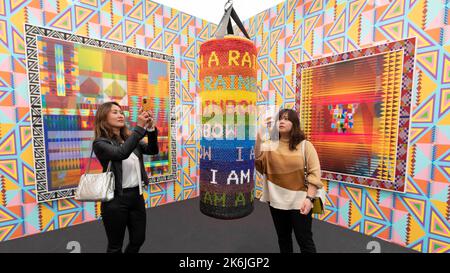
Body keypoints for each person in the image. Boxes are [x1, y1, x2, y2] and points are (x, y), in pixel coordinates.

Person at [93, 101, 159, 253]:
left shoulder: (130, 139)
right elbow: (120, 153)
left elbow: (152, 149)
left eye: (121, 112)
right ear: (103, 117)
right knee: (115, 246)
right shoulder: (100, 143)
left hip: (136, 196)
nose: (120, 115)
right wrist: (139, 128)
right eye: (114, 112)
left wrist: (150, 129)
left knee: (138, 239)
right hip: (115, 200)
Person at [254, 108, 323, 253]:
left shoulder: (305, 146)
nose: (282, 121)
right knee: (283, 238)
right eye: (279, 119)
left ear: (294, 123)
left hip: (300, 201)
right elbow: (259, 163)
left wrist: (310, 199)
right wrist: (259, 135)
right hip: (276, 201)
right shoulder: (270, 146)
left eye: (286, 118)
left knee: (304, 239)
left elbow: (314, 175)